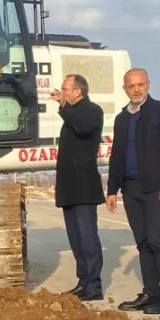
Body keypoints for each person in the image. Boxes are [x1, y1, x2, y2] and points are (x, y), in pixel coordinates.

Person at [106, 67, 160, 314]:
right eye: (131, 85)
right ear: (124, 89)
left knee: (157, 240)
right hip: (131, 189)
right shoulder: (122, 119)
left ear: (148, 84)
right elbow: (116, 155)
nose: (136, 89)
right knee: (142, 243)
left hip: (155, 188)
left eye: (140, 84)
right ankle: (151, 293)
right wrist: (112, 189)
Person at [49, 74, 106, 300]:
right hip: (69, 188)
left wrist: (63, 107)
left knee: (87, 237)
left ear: (77, 91)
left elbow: (81, 126)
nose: (62, 92)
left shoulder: (92, 111)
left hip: (84, 187)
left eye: (65, 89)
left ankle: (94, 285)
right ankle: (83, 281)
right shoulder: (71, 114)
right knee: (75, 238)